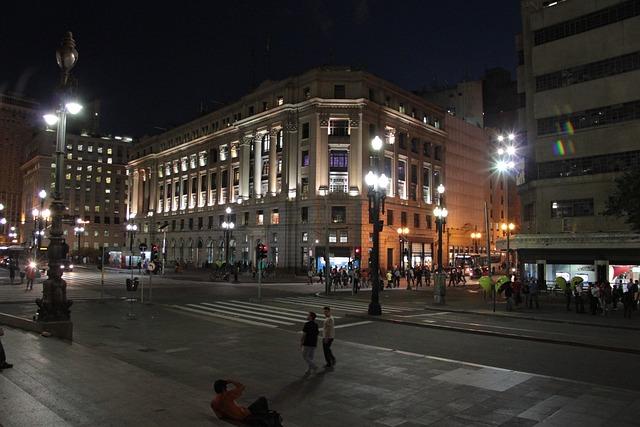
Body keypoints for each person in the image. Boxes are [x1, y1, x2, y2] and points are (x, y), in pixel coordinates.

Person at [211, 379, 280, 425]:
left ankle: (264, 416)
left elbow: (220, 417)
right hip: (245, 416)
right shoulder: (228, 395)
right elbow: (241, 386)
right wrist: (231, 381)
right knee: (262, 400)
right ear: (224, 388)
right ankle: (266, 417)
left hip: (238, 418)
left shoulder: (213, 403)